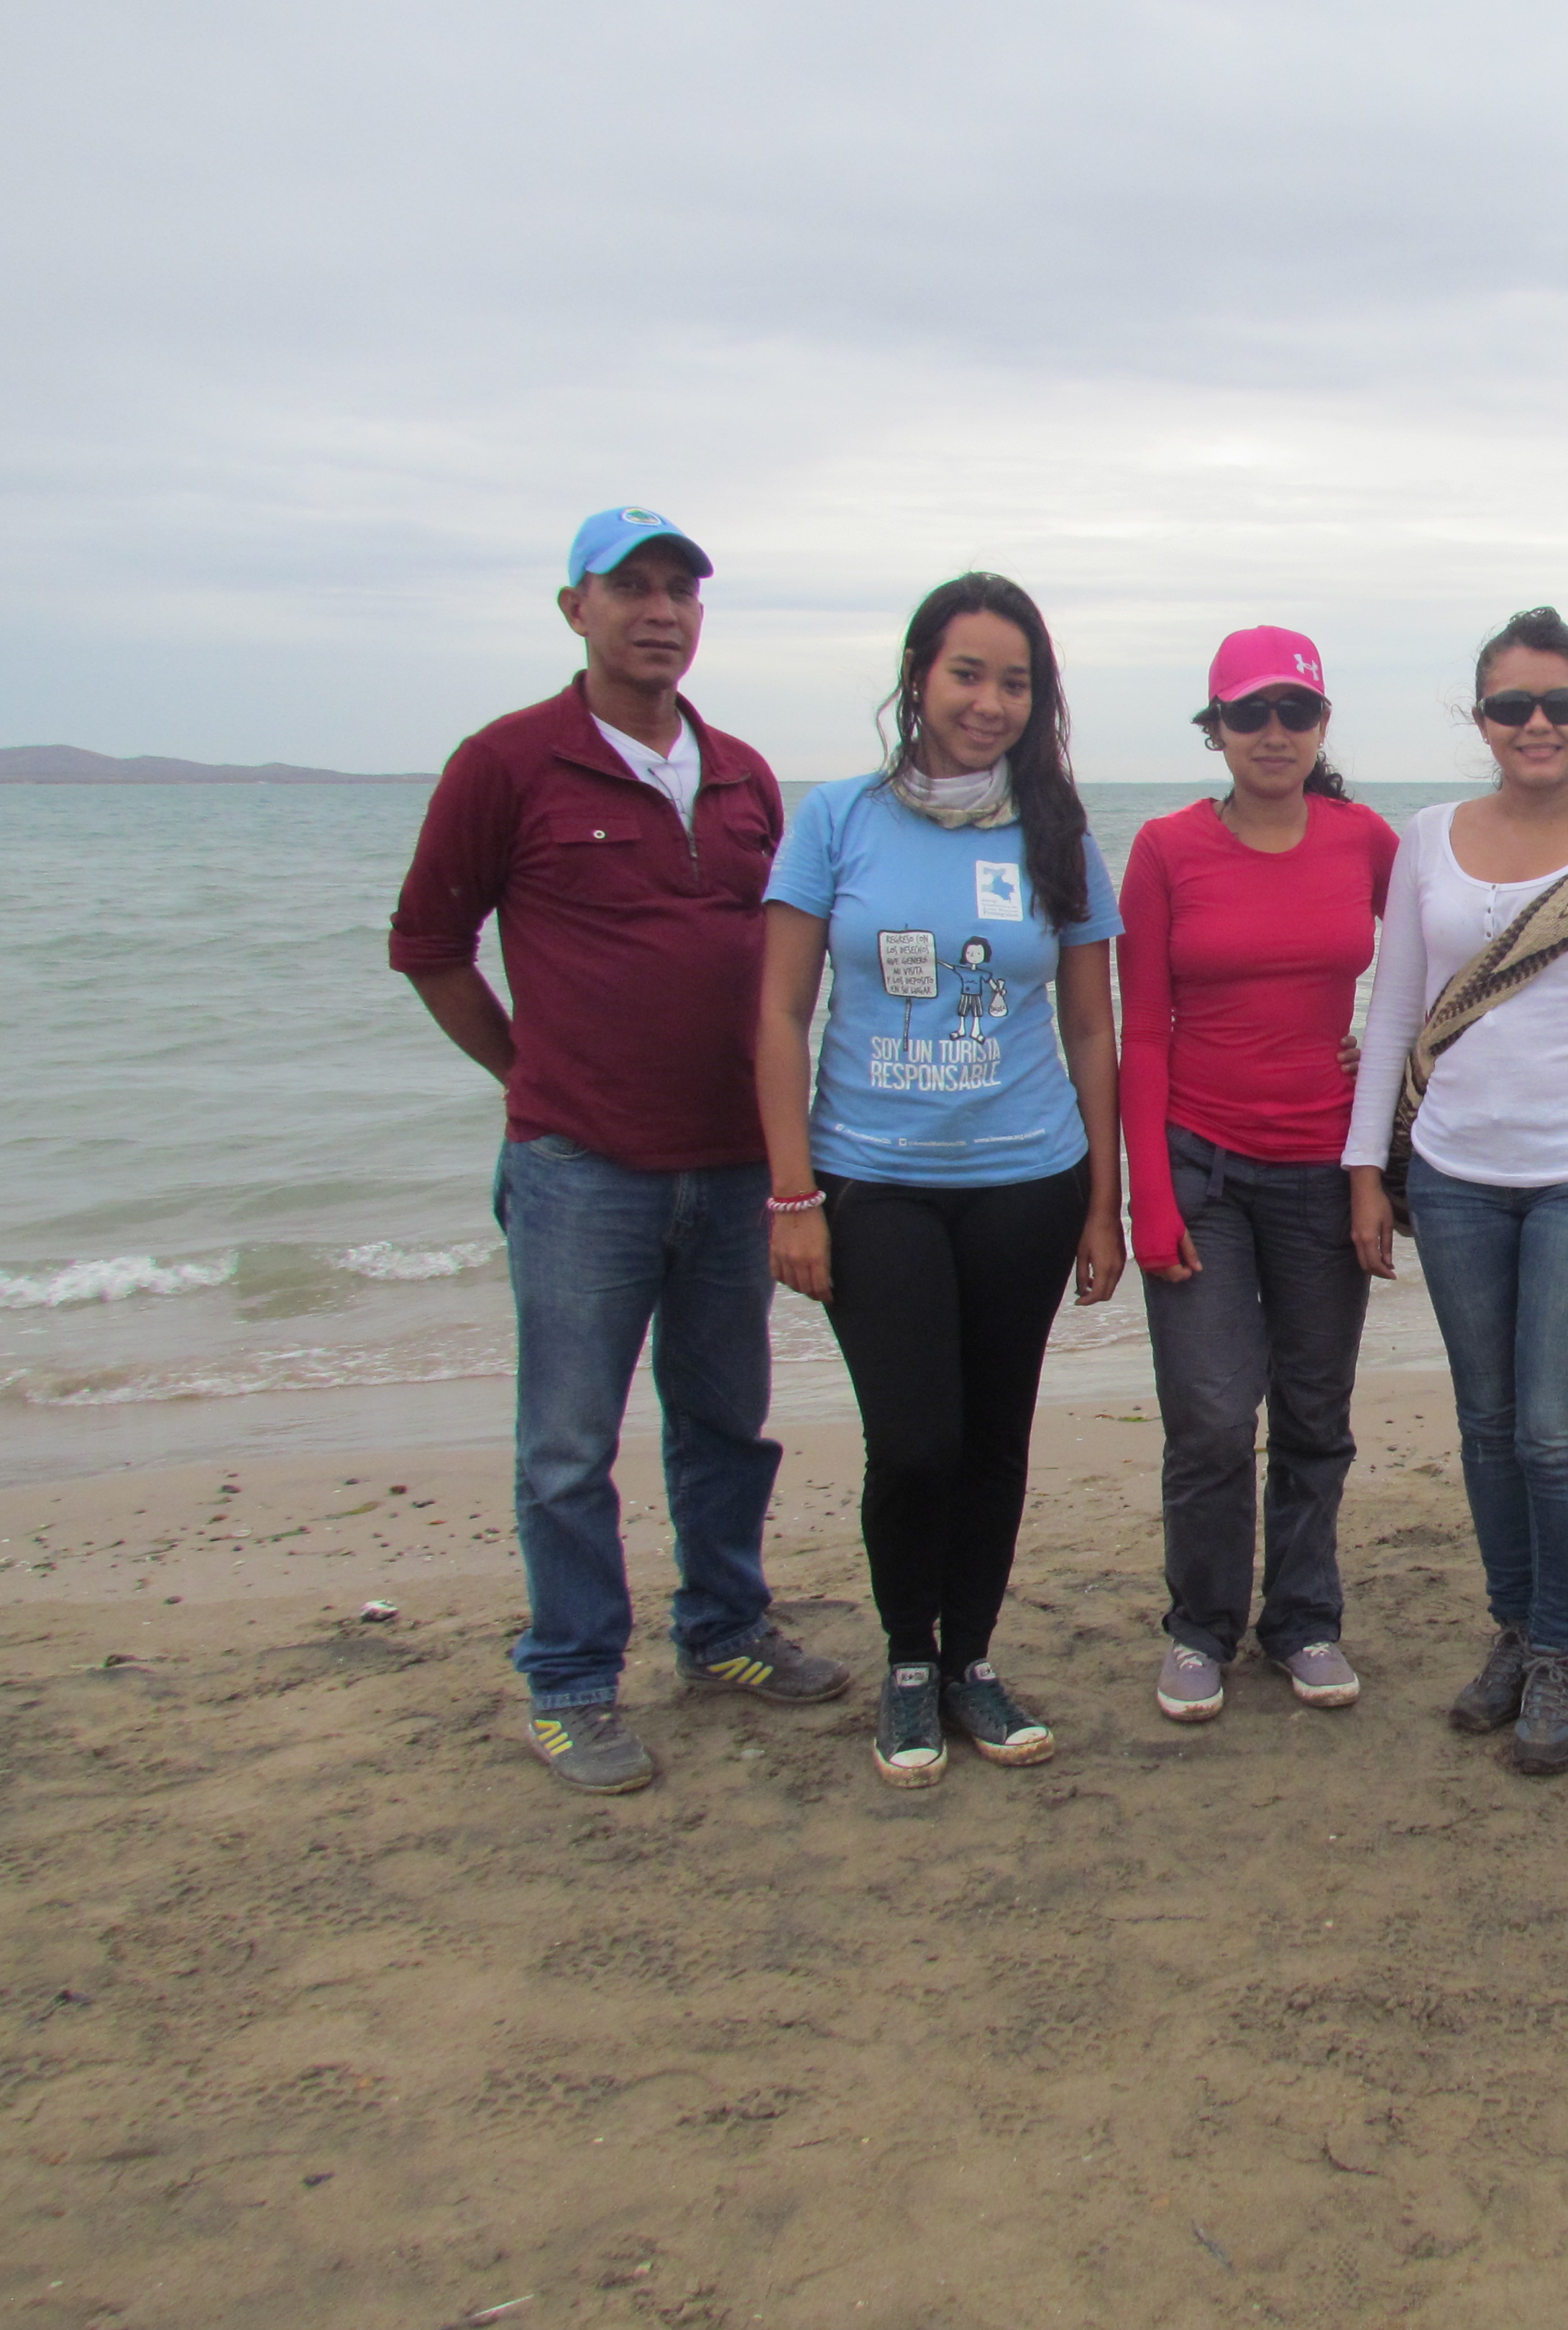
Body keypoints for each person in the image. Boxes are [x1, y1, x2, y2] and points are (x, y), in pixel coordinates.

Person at [391, 506, 849, 1794]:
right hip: (580, 1168)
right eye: (631, 588)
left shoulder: (747, 773)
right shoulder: (506, 763)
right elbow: (429, 946)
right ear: (574, 609)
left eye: (681, 592)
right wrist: (526, 1071)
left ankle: (725, 1630)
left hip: (732, 1163)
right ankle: (574, 1678)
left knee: (726, 1420)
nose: (661, 612)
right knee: (566, 1443)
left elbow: (784, 972)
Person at [756, 573, 1124, 1788]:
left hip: (1027, 1180)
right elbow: (779, 1010)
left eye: (1015, 681)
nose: (989, 701)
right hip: (875, 1182)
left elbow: (1088, 1030)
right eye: (967, 672)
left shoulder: (1059, 832)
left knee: (995, 1439)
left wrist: (1103, 1201)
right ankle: (906, 1661)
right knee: (913, 1443)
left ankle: (969, 1660)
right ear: (918, 675)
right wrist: (793, 1194)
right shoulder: (837, 819)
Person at [1342, 608, 1568, 1777]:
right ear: (1479, 719)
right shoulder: (1426, 837)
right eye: (1512, 706)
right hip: (1452, 1180)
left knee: (1553, 1434)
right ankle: (1515, 1629)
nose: (1538, 726)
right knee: (1485, 1428)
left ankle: (1563, 1658)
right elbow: (1392, 1014)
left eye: (1562, 705)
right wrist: (1365, 1173)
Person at [1120, 626, 1397, 1723]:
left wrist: (1386, 1059)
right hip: (1200, 1164)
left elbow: (1443, 971)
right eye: (1249, 714)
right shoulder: (1163, 849)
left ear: (1322, 724)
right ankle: (1200, 1627)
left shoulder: (1365, 838)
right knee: (1211, 1417)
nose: (1273, 733)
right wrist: (1147, 1194)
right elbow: (1141, 1034)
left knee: (1316, 1414)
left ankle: (1303, 1621)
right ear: (1216, 729)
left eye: (1295, 712)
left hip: (1328, 1171)